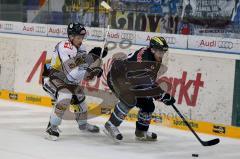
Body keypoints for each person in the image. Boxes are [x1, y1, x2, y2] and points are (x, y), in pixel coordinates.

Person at [42, 22, 108, 140]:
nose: (81, 40)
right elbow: (72, 72)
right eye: (78, 37)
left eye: (82, 37)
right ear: (71, 37)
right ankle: (51, 128)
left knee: (80, 98)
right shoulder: (64, 46)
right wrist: (91, 69)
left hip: (67, 79)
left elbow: (81, 65)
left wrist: (95, 59)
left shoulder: (81, 47)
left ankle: (83, 124)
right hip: (52, 78)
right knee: (65, 96)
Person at [104, 36, 176, 141]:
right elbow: (144, 84)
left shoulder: (154, 58)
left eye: (163, 52)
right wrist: (162, 95)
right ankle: (110, 125)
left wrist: (161, 95)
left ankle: (141, 132)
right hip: (116, 78)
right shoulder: (144, 61)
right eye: (160, 52)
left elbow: (147, 82)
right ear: (152, 49)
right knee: (129, 99)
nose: (162, 55)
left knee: (148, 105)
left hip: (131, 80)